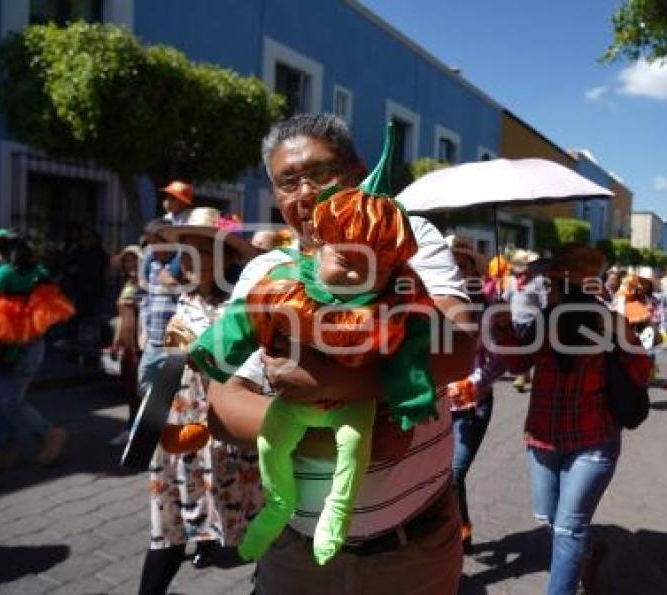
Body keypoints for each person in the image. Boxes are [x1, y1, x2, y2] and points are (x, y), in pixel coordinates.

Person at [206, 114, 473, 594]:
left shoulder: (406, 238)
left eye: (320, 174)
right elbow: (223, 407)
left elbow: (459, 350)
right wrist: (325, 443)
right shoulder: (266, 271)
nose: (305, 192)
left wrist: (339, 385)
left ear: (357, 172)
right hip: (296, 553)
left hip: (412, 549)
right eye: (288, 182)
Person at [494, 243, 652, 595]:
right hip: (543, 439)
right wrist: (504, 328)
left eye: (551, 284)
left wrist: (626, 340)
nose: (546, 290)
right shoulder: (543, 322)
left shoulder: (609, 322)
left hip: (594, 440)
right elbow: (518, 365)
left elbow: (642, 374)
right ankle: (589, 552)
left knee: (568, 529)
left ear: (570, 286)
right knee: (550, 519)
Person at [137, 208, 262, 595]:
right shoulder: (187, 298)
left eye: (200, 251)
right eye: (184, 251)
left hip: (228, 431)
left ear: (225, 257)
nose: (187, 260)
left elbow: (259, 370)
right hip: (179, 428)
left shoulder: (245, 305)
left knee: (256, 529)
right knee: (168, 528)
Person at [0, 230, 74, 469]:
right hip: (29, 345)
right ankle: (4, 449)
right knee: (1, 399)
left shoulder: (4, 274)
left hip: (13, 348)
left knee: (9, 401)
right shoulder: (38, 272)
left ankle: (48, 433)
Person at [444, 235, 503, 553]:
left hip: (474, 404)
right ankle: (461, 528)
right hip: (437, 405)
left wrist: (474, 383)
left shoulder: (487, 307)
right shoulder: (429, 303)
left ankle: (452, 534)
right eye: (449, 262)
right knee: (443, 475)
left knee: (453, 473)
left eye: (461, 262)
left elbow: (499, 360)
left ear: (470, 268)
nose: (455, 268)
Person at [136, 219, 182, 400]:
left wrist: (174, 286)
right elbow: (147, 299)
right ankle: (148, 419)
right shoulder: (153, 266)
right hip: (153, 341)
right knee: (143, 381)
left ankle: (164, 422)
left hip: (172, 344)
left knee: (171, 389)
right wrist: (144, 331)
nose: (152, 249)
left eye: (156, 244)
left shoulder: (181, 267)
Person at [108, 245, 144, 447]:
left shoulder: (148, 286)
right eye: (127, 261)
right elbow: (123, 318)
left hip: (141, 346)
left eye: (135, 261)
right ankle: (131, 428)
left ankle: (143, 433)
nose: (131, 265)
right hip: (128, 348)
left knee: (142, 391)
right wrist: (115, 342)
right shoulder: (128, 285)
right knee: (130, 391)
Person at [504, 249, 547, 392]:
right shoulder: (511, 281)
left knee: (529, 349)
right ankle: (524, 375)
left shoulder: (538, 280)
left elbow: (544, 302)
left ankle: (524, 376)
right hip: (515, 320)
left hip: (532, 321)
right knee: (519, 349)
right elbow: (506, 298)